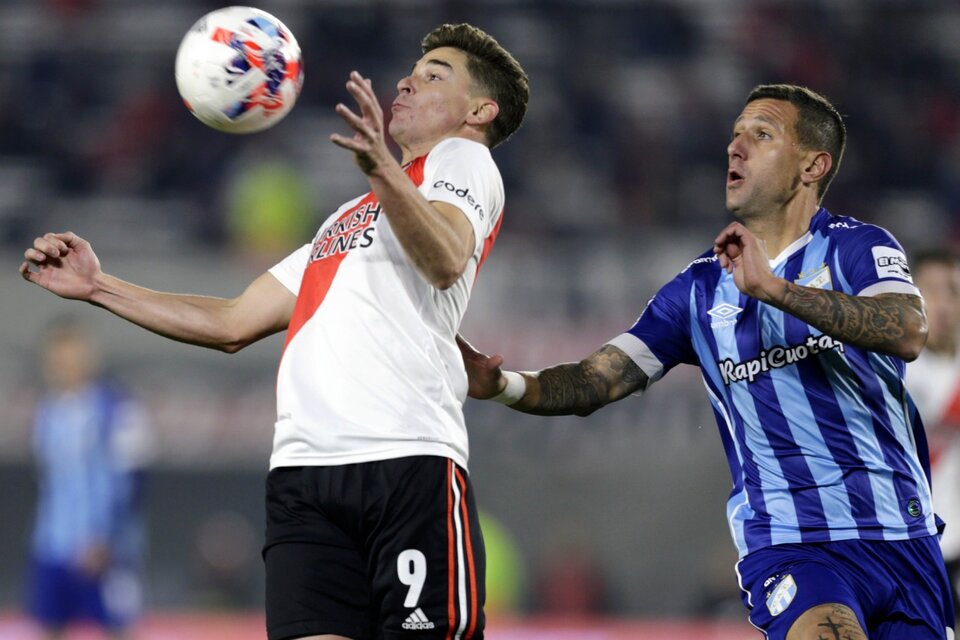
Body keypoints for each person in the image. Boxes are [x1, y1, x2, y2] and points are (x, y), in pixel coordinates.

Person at [19, 22, 528, 640]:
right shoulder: (348, 217)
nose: (407, 81)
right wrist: (101, 287)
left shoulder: (465, 160)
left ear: (480, 109)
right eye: (413, 71)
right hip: (304, 475)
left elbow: (446, 257)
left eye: (433, 76)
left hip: (402, 460)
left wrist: (382, 172)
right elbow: (234, 321)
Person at [458, 84, 956, 639]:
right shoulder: (697, 291)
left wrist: (779, 292)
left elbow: (908, 330)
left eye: (761, 135)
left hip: (902, 536)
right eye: (734, 136)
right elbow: (598, 379)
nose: (735, 148)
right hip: (794, 543)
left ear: (813, 165)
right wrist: (502, 383)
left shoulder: (856, 248)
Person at [26, 317, 152, 640]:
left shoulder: (118, 409)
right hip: (53, 545)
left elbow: (135, 479)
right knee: (49, 627)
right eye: (57, 360)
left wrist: (107, 538)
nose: (64, 367)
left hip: (106, 549)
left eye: (72, 358)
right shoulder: (47, 411)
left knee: (117, 628)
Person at [906, 249, 960, 617]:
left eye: (952, 291)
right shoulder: (898, 372)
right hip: (915, 539)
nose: (942, 304)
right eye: (931, 290)